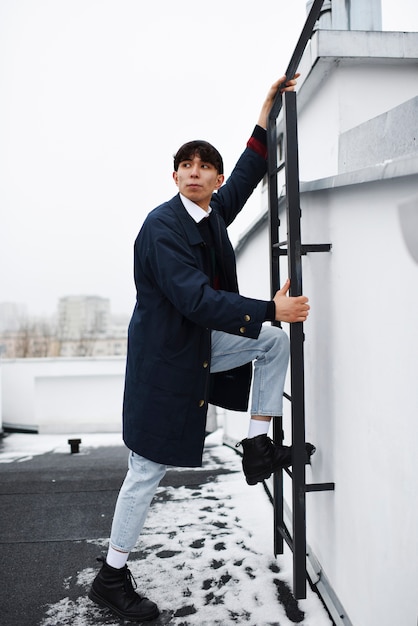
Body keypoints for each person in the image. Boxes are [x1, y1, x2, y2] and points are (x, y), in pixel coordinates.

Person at [89, 75, 314, 622]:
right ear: (174, 175)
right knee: (145, 471)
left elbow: (249, 171)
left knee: (272, 344)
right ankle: (112, 576)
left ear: (211, 178)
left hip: (199, 348)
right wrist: (267, 306)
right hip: (165, 364)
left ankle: (258, 446)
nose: (195, 172)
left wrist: (266, 111)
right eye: (185, 165)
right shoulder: (162, 229)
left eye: (203, 166)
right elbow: (194, 300)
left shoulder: (212, 210)